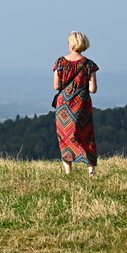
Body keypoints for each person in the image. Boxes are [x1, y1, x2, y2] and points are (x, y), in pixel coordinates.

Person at [53, 31, 100, 176]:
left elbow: (56, 86)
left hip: (64, 105)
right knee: (86, 135)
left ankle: (68, 171)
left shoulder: (60, 62)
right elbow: (93, 89)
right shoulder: (89, 64)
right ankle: (91, 170)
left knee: (65, 135)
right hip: (82, 105)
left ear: (71, 44)